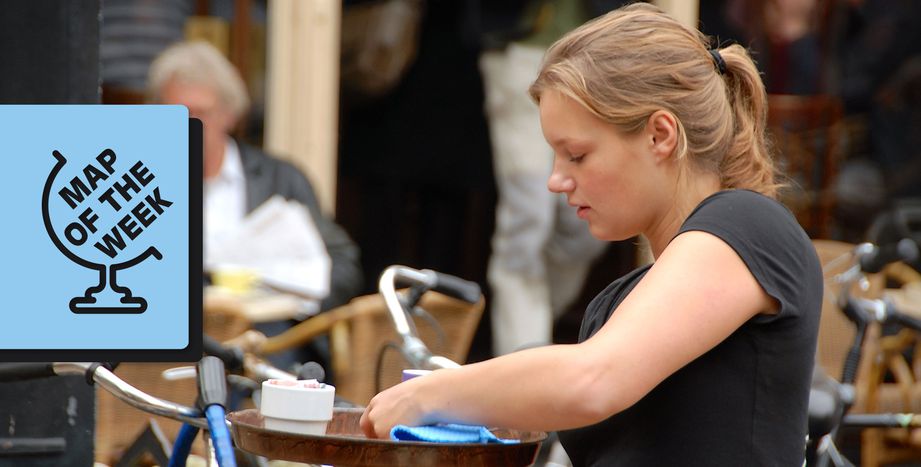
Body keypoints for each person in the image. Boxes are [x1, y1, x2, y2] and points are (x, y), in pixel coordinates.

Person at [360, 4, 822, 465]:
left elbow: (594, 380)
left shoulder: (749, 225)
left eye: (576, 155)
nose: (555, 180)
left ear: (660, 135)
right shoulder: (626, 295)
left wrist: (432, 393)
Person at [147, 41, 364, 372]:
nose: (187, 125)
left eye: (200, 113)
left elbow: (343, 266)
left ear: (229, 114)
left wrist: (289, 294)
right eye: (174, 113)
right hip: (174, 348)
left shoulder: (281, 179)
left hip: (269, 344)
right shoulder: (142, 183)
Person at [478, 0, 610, 357]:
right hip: (520, 51)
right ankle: (522, 363)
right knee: (528, 219)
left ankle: (529, 321)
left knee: (584, 226)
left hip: (597, 65)